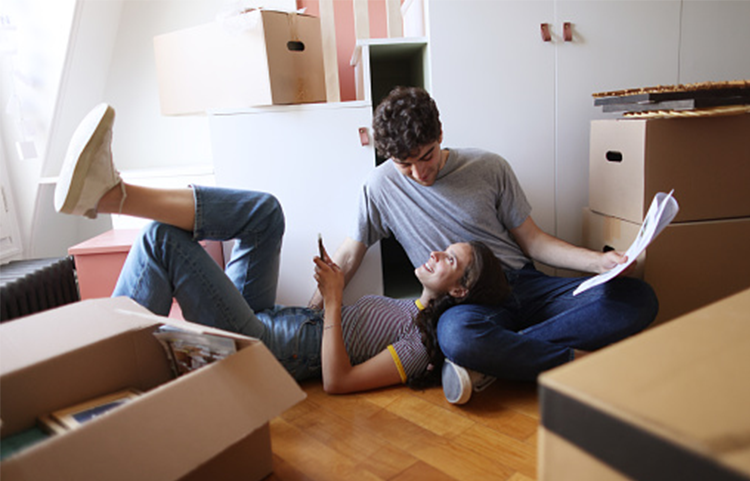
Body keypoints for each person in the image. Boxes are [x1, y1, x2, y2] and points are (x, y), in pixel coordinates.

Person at [54, 103, 511, 394]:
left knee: (161, 240)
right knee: (266, 214)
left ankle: (106, 363)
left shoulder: (421, 345)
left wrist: (334, 300)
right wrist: (324, 296)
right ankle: (111, 194)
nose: (434, 253)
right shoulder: (410, 306)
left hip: (276, 349)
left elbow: (338, 382)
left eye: (449, 259)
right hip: (284, 320)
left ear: (458, 291)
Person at [308, 86, 659, 404]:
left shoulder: (489, 166)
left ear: (440, 134)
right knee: (458, 338)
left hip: (524, 285)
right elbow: (350, 254)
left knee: (636, 298)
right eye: (404, 165)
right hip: (462, 301)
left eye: (426, 157)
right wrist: (312, 312)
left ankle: (494, 359)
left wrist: (599, 263)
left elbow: (534, 242)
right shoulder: (379, 186)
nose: (419, 174)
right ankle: (572, 362)